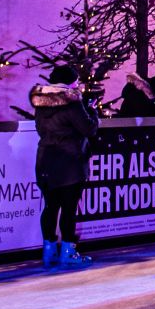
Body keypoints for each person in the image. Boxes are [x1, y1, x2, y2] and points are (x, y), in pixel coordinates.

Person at [31, 65, 99, 269]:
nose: (78, 85)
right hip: (70, 161)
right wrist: (93, 111)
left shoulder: (41, 104)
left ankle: (49, 250)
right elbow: (88, 128)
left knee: (51, 207)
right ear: (70, 82)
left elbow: (40, 128)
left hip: (46, 160)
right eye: (76, 81)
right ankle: (68, 252)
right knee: (69, 209)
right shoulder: (72, 102)